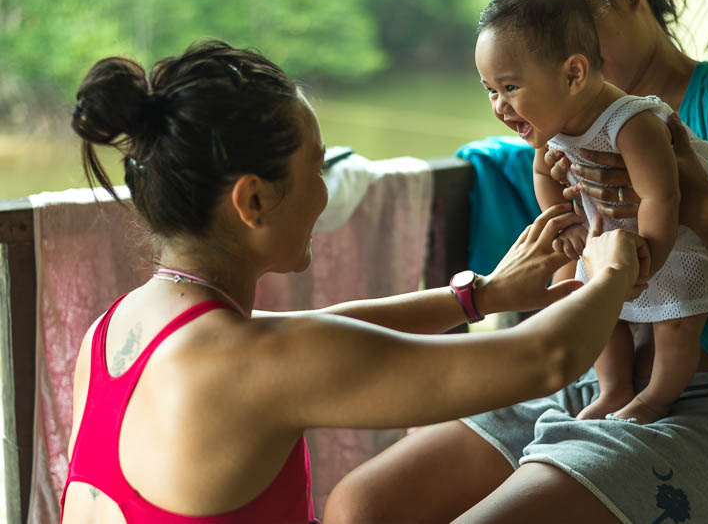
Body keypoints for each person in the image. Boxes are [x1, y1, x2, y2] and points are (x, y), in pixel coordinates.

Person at [324, 0, 708, 523]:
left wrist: (703, 203)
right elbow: (557, 202)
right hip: (584, 378)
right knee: (360, 506)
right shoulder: (563, 121)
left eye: (564, 18)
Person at [60, 39, 649, 524]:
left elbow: (319, 329)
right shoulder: (250, 367)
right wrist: (614, 261)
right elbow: (545, 359)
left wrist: (483, 295)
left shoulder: (118, 329)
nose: (322, 188)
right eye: (316, 166)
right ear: (253, 198)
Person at [475, 0, 708, 426]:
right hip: (606, 240)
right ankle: (612, 387)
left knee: (677, 325)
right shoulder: (553, 121)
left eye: (510, 87)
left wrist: (650, 255)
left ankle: (657, 396)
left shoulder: (632, 123)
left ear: (574, 74)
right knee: (589, 305)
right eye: (490, 90)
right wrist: (562, 217)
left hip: (668, 243)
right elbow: (543, 170)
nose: (499, 106)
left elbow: (661, 198)